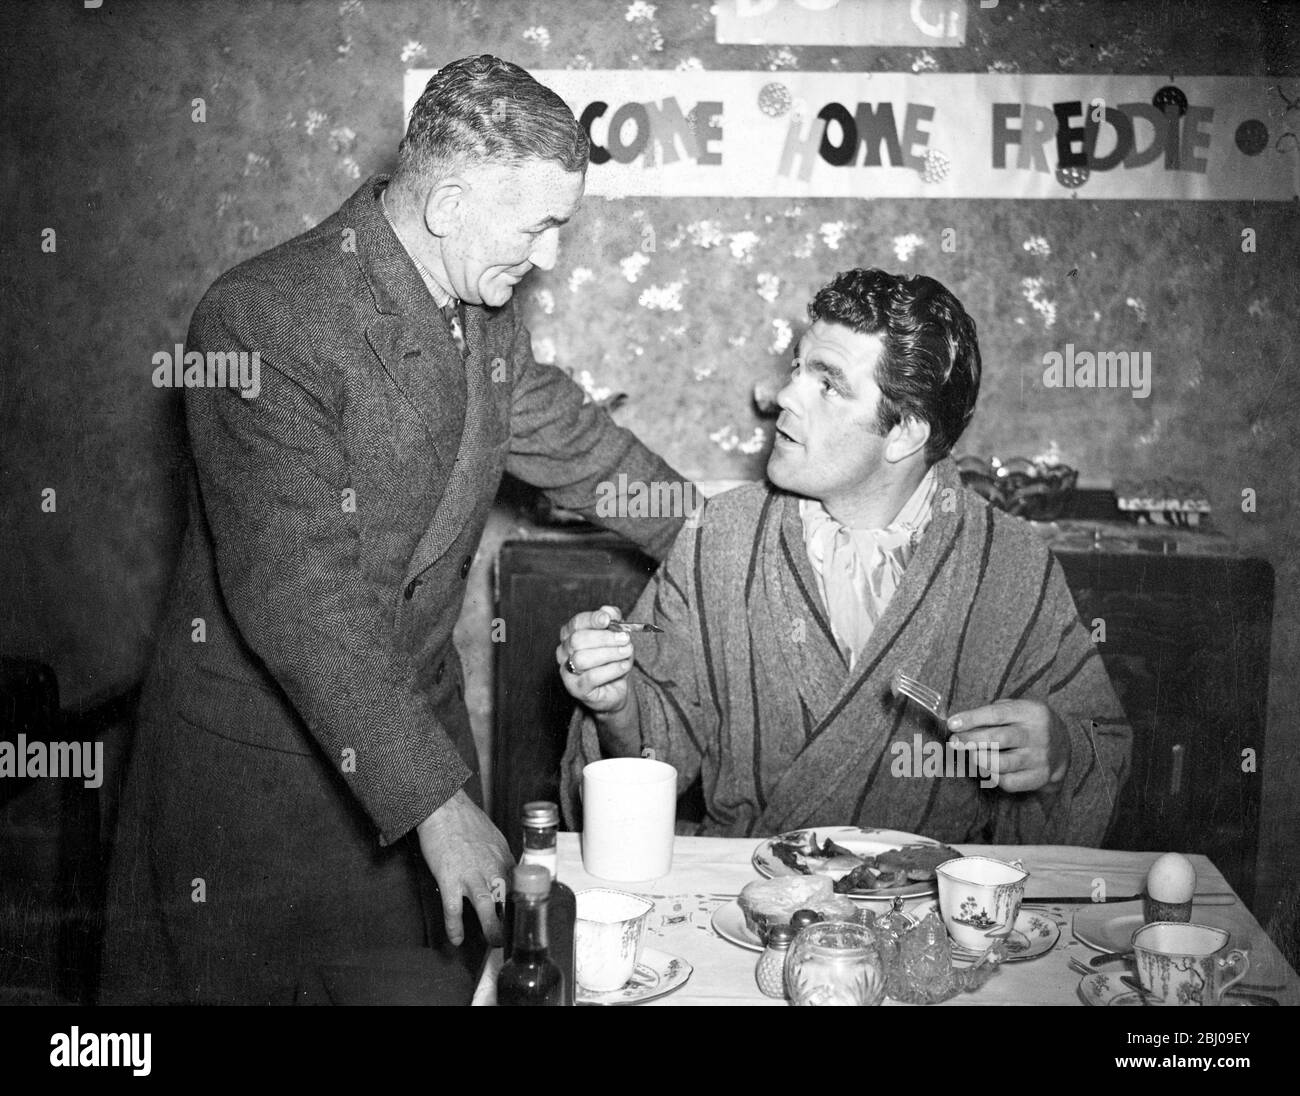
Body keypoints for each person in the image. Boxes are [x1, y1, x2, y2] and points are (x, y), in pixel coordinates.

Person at [101, 55, 688, 1004]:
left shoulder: (481, 314)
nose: (548, 258)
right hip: (267, 772)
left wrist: (735, 543)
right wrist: (434, 802)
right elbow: (300, 598)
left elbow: (584, 450)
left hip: (405, 738)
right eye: (539, 226)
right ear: (450, 205)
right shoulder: (262, 319)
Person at [558, 268, 1130, 845]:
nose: (784, 396)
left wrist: (1058, 754)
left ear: (905, 433)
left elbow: (1099, 750)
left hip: (929, 910)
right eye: (797, 369)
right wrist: (616, 705)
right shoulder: (721, 536)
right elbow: (654, 753)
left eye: (828, 384)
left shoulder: (1010, 567)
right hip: (754, 895)